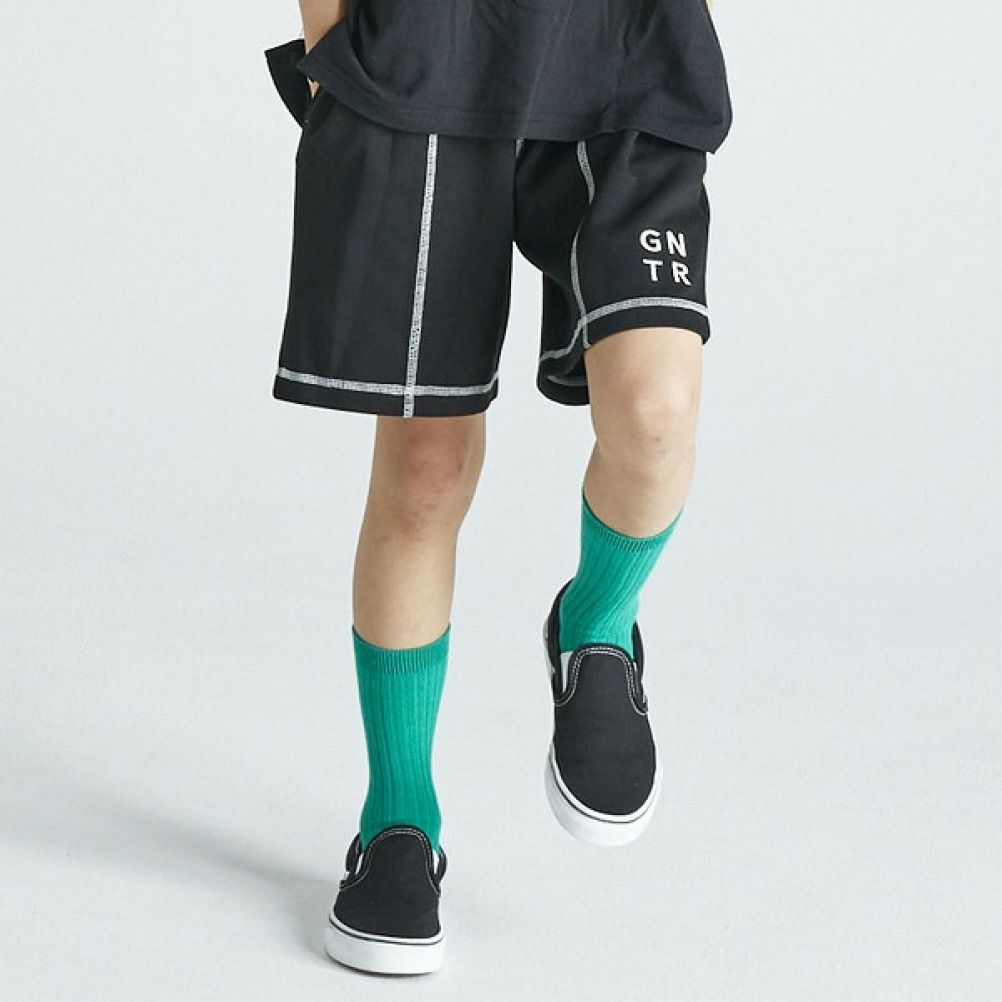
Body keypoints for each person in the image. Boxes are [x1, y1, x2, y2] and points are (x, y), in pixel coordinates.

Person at [265, 0, 732, 975]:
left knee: (655, 414)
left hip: (624, 50)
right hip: (421, 50)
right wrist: (330, 44)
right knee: (425, 468)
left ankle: (596, 625)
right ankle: (398, 821)